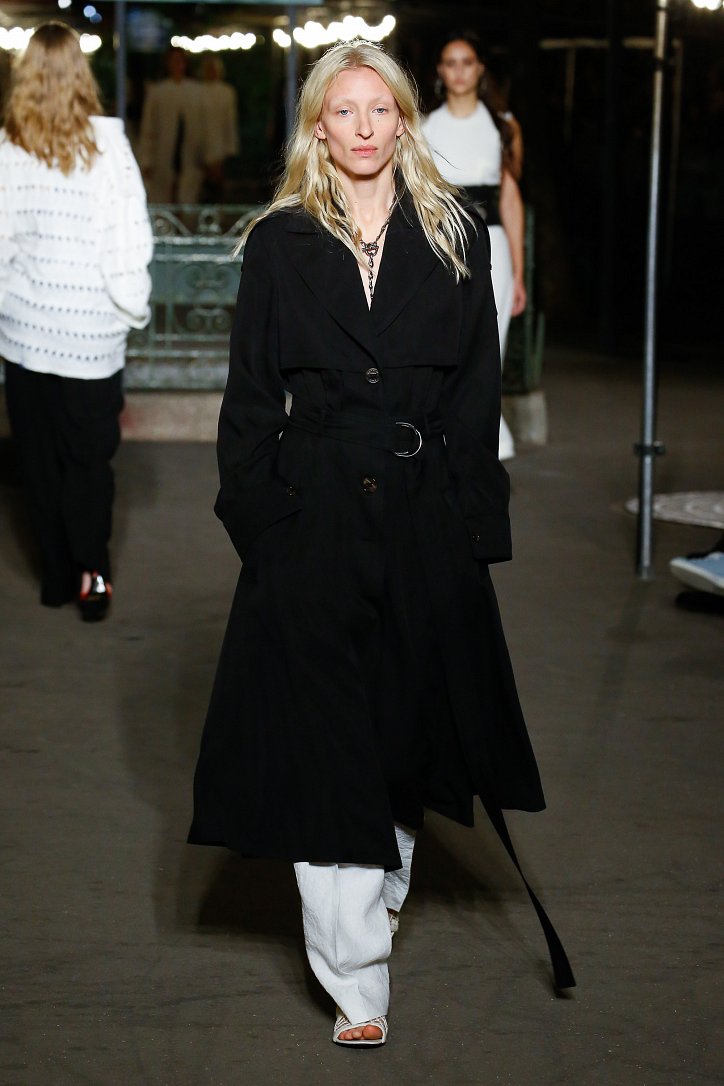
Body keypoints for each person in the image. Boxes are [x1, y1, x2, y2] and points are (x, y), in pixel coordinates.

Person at [188, 41, 574, 1047]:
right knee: (327, 744)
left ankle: (387, 873)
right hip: (311, 515)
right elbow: (247, 400)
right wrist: (261, 523)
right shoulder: (279, 243)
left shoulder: (456, 235)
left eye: (379, 108)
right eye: (342, 110)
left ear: (403, 119)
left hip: (420, 513)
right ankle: (357, 979)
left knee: (402, 725)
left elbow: (476, 396)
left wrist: (474, 528)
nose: (362, 127)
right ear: (318, 128)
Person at [0, 21, 153, 619]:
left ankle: (56, 576)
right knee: (89, 464)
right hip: (91, 338)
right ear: (82, 74)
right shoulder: (109, 146)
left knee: (39, 465)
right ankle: (93, 578)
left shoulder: (9, 147)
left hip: (27, 336)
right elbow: (128, 237)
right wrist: (129, 305)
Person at [422, 31, 527, 462]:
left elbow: (511, 199)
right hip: (439, 242)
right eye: (451, 63)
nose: (459, 71)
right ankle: (446, 436)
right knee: (442, 340)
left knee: (489, 343)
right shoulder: (424, 128)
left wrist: (519, 273)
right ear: (441, 71)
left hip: (492, 245)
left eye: (467, 62)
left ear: (480, 69)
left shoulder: (502, 126)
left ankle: (485, 438)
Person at [138, 46, 207, 203]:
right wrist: (146, 160)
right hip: (163, 157)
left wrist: (208, 156)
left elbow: (204, 127)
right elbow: (148, 128)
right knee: (162, 198)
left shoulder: (197, 91)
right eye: (173, 61)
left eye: (180, 61)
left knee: (188, 198)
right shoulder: (157, 91)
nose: (177, 64)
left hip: (190, 157)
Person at [197, 55, 239, 202]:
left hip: (220, 145)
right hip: (201, 144)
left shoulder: (227, 91)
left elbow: (230, 121)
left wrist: (229, 148)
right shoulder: (198, 91)